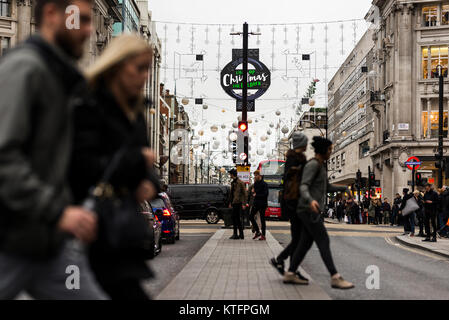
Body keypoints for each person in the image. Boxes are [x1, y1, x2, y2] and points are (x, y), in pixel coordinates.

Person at [0, 0, 107, 299]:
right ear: (50, 15)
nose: (88, 30)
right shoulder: (25, 68)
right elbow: (3, 156)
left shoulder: (59, 77)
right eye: (81, 20)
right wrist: (57, 210)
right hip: (10, 240)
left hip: (47, 245)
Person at [69, 34, 161, 300]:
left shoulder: (137, 113)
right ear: (118, 65)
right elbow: (80, 165)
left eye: (148, 69)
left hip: (120, 233)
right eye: (139, 68)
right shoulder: (88, 104)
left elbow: (146, 171)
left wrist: (150, 183)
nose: (144, 76)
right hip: (89, 228)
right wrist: (136, 161)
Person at [284, 136, 354, 289]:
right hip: (308, 209)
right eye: (330, 149)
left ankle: (290, 273)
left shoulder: (320, 166)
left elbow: (326, 188)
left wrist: (344, 188)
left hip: (309, 209)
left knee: (305, 243)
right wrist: (310, 200)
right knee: (323, 240)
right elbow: (303, 186)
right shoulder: (313, 165)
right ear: (323, 150)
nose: (331, 152)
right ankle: (335, 277)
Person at [270, 132, 308, 281]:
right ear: (301, 144)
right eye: (305, 142)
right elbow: (291, 180)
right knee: (300, 238)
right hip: (295, 203)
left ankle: (291, 269)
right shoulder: (294, 159)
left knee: (298, 237)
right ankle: (283, 262)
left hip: (294, 203)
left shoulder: (295, 158)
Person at [249, 170, 269, 241]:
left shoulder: (264, 184)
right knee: (250, 216)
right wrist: (253, 192)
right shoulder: (256, 184)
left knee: (263, 220)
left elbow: (265, 194)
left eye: (256, 175)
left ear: (260, 175)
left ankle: (263, 235)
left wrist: (256, 194)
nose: (255, 177)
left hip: (262, 204)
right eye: (254, 175)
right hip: (256, 203)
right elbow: (254, 193)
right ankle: (257, 232)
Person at [228, 169, 247, 240]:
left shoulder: (241, 182)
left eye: (230, 174)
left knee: (236, 218)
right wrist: (230, 202)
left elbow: (245, 194)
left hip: (238, 203)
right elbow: (231, 194)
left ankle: (236, 234)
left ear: (233, 174)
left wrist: (244, 204)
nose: (230, 175)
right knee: (235, 218)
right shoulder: (233, 182)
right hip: (234, 203)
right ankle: (239, 234)